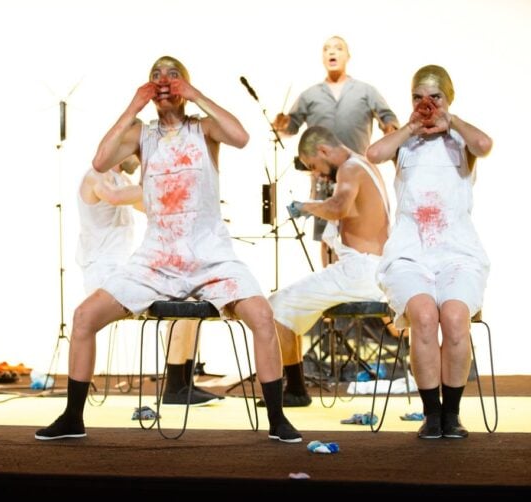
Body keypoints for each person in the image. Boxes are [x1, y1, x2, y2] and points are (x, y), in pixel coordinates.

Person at [36, 56, 300, 443]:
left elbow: (241, 136)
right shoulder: (142, 134)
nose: (164, 80)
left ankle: (278, 419)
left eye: (173, 75)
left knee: (261, 315)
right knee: (84, 317)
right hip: (156, 257)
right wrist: (134, 105)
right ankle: (73, 417)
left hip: (210, 254)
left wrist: (194, 95)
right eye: (156, 76)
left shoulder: (202, 128)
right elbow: (100, 159)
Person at [366, 65, 492, 439]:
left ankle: (452, 414)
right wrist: (409, 128)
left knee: (454, 318)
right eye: (418, 97)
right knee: (423, 314)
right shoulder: (404, 142)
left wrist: (448, 121)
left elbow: (485, 145)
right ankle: (431, 414)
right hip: (410, 253)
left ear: (448, 99)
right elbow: (374, 153)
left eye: (434, 97)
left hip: (457, 253)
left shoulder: (460, 140)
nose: (426, 105)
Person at [77, 155, 221, 406]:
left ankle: (183, 383)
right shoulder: (97, 176)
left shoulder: (122, 179)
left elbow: (154, 206)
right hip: (104, 276)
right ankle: (176, 387)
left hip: (124, 273)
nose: (143, 155)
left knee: (192, 294)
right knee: (181, 297)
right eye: (139, 149)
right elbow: (115, 196)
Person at [263, 126, 390, 407]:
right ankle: (295, 387)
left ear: (322, 151)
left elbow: (339, 207)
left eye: (314, 166)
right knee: (287, 310)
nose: (318, 174)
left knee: (272, 308)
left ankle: (295, 389)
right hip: (371, 268)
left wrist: (306, 206)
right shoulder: (362, 164)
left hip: (361, 271)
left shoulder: (349, 169)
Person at [272, 35, 399, 267]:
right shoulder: (310, 95)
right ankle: (331, 279)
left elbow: (388, 118)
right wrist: (281, 125)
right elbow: (289, 127)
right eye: (327, 49)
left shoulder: (365, 91)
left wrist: (389, 127)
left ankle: (364, 278)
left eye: (338, 48)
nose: (332, 52)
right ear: (322, 57)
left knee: (362, 228)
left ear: (348, 56)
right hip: (323, 178)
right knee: (326, 233)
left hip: (357, 173)